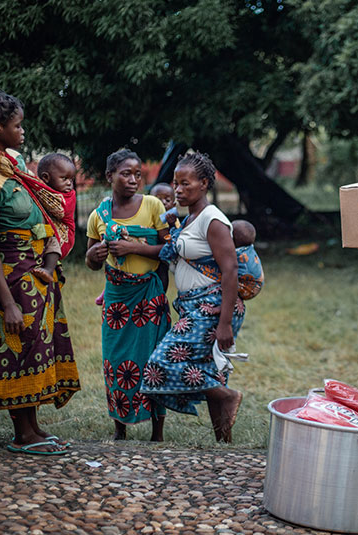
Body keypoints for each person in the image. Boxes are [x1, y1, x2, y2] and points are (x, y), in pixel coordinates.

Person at [0, 88, 80, 455]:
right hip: (10, 276)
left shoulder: (11, 164)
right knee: (14, 346)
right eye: (17, 125)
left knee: (34, 348)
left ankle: (32, 426)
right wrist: (7, 302)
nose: (22, 131)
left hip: (33, 272)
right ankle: (22, 434)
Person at [141, 151, 245, 443]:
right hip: (192, 306)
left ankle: (227, 396)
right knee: (208, 368)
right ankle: (223, 442)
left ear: (204, 183)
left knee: (160, 365)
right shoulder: (190, 219)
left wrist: (224, 324)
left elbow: (231, 271)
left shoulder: (213, 220)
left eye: (186, 184)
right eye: (176, 183)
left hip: (211, 306)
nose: (178, 190)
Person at [85, 149, 170, 441]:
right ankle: (119, 428)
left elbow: (169, 249)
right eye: (126, 173)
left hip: (149, 296)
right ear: (110, 176)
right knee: (115, 359)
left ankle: (157, 431)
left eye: (138, 174)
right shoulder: (99, 215)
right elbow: (91, 259)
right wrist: (95, 255)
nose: (133, 179)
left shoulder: (154, 205)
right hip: (117, 299)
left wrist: (134, 248)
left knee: (153, 360)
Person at [32, 153, 77, 283]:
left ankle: (49, 270)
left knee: (53, 240)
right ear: (46, 177)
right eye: (64, 179)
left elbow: (59, 210)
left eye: (71, 179)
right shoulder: (45, 191)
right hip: (46, 229)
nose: (69, 183)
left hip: (65, 234)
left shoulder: (68, 196)